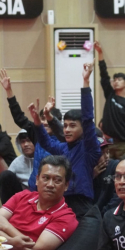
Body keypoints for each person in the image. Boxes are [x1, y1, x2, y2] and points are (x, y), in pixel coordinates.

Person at [28, 63, 101, 218]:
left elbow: (88, 118)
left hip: (82, 204)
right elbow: (46, 142)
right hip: (60, 201)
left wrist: (86, 83)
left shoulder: (89, 148)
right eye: (65, 126)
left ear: (83, 129)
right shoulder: (63, 148)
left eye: (72, 126)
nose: (67, 130)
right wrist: (37, 121)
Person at [0, 155, 78, 250]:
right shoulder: (22, 196)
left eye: (57, 180)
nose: (50, 185)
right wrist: (13, 242)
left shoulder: (66, 217)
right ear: (37, 180)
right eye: (46, 178)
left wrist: (5, 226)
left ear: (66, 186)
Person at [0, 69, 65, 189]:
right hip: (34, 188)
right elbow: (19, 118)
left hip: (54, 189)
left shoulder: (65, 140)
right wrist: (9, 91)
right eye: (42, 118)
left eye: (48, 119)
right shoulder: (37, 134)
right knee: (6, 178)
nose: (44, 122)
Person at [95, 42, 125, 158]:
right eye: (114, 80)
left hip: (123, 145)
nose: (115, 82)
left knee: (123, 173)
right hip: (107, 142)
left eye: (119, 80)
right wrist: (100, 54)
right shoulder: (110, 95)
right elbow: (104, 76)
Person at [0, 129, 35, 204]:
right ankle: (7, 210)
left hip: (41, 196)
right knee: (5, 175)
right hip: (23, 197)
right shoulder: (17, 162)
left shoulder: (45, 159)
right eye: (22, 142)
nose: (25, 144)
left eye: (29, 141)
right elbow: (6, 181)